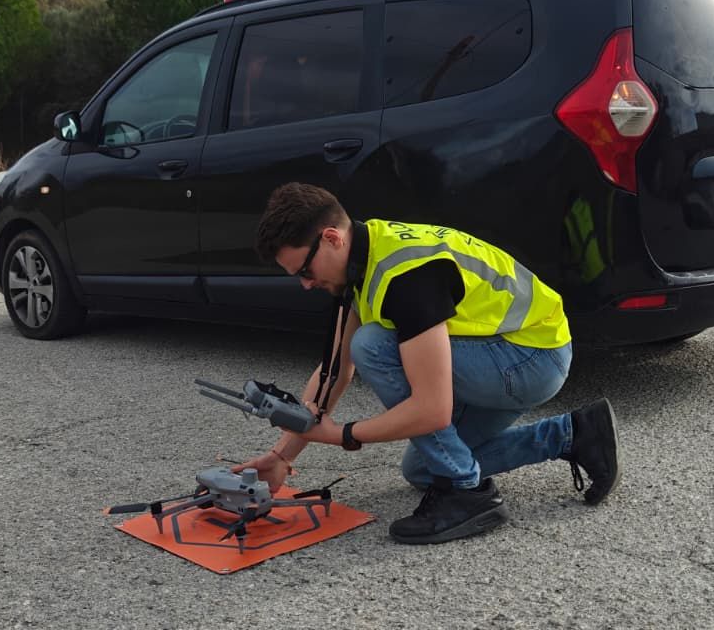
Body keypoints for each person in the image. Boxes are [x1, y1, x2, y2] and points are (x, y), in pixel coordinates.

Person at [234, 183, 620, 545]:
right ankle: (574, 434)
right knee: (422, 470)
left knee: (372, 345)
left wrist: (343, 435)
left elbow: (432, 411)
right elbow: (335, 370)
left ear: (332, 238)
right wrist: (283, 455)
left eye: (304, 270)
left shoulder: (405, 276)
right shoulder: (362, 258)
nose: (305, 284)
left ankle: (468, 494)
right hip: (505, 353)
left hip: (531, 358)